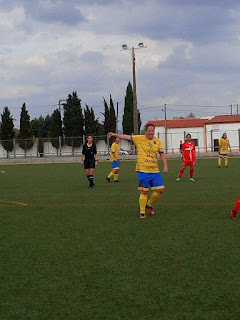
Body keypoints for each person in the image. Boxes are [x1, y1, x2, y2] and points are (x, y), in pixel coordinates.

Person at [108, 123, 168, 219]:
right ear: (146, 131)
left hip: (155, 170)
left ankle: (149, 204)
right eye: (149, 130)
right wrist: (115, 135)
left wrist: (165, 166)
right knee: (144, 191)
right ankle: (142, 211)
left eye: (153, 130)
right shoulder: (139, 138)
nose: (151, 132)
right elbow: (126, 137)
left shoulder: (158, 141)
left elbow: (162, 154)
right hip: (143, 169)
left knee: (160, 190)